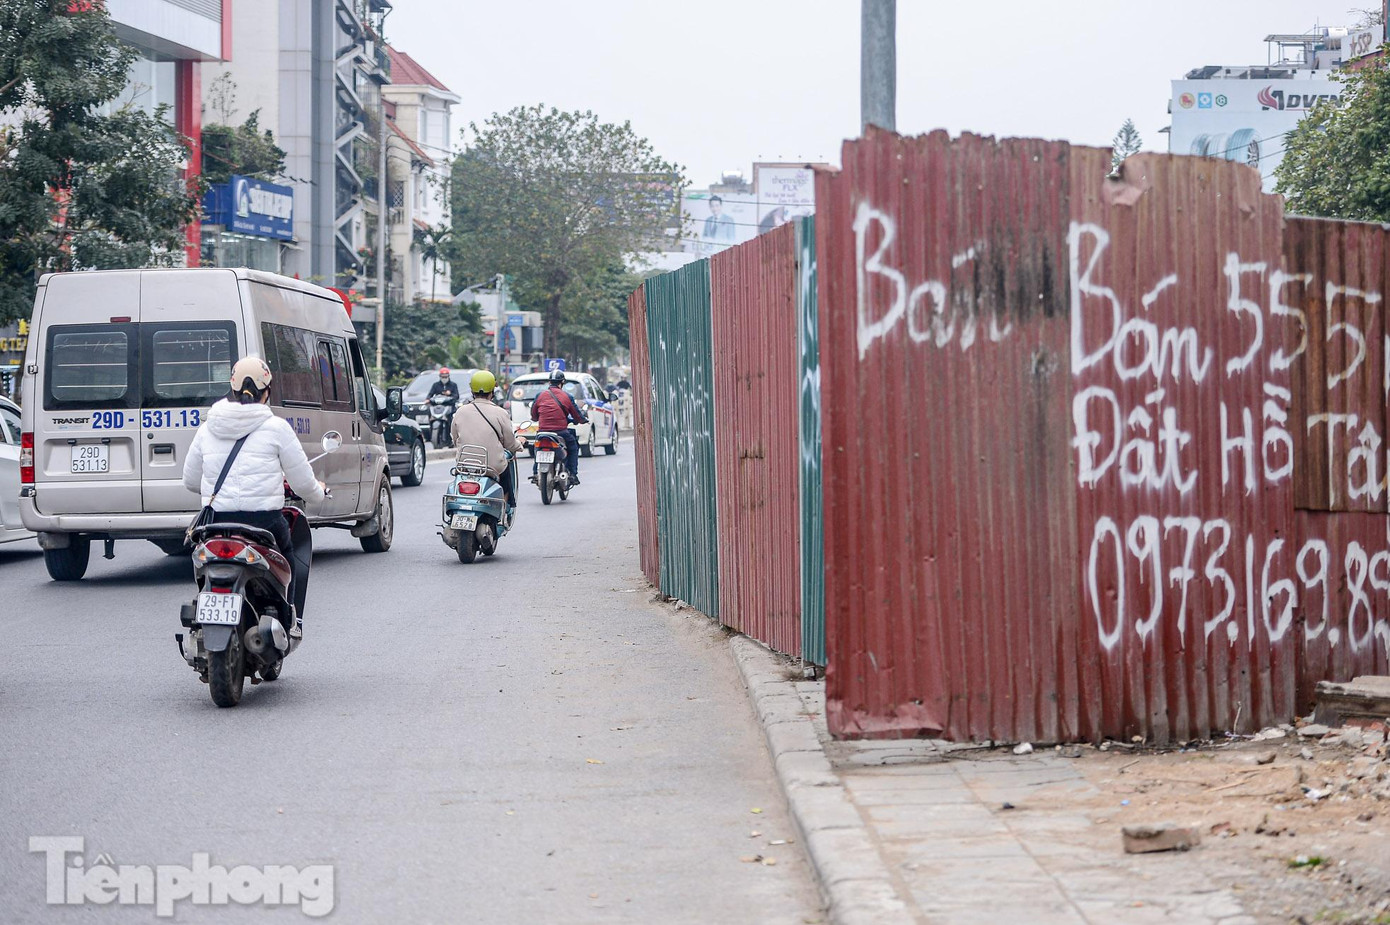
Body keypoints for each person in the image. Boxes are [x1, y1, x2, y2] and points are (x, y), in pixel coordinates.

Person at [184, 357, 326, 633]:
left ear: (232, 388)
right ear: (267, 391)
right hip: (263, 524)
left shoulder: (207, 428)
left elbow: (190, 481)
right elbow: (303, 483)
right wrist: (318, 492)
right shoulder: (277, 428)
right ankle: (289, 621)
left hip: (215, 525)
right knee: (289, 551)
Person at [451, 369, 523, 508]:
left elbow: (455, 438)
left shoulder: (461, 411)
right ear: (492, 391)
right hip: (492, 466)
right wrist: (520, 444)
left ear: (472, 391)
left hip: (465, 464)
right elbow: (510, 443)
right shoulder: (500, 413)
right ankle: (504, 513)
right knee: (506, 477)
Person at [530, 368, 587, 485]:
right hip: (560, 432)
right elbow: (577, 415)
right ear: (562, 383)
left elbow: (534, 416)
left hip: (542, 433)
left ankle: (536, 473)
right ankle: (573, 474)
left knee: (537, 450)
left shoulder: (540, 396)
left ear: (549, 382)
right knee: (573, 447)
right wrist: (582, 420)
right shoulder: (567, 396)